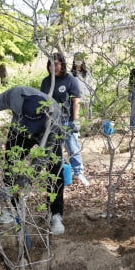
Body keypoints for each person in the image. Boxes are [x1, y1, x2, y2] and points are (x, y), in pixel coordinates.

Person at [0, 86, 67, 234]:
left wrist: (28, 176)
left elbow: (44, 157)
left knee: (56, 170)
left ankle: (55, 214)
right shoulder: (15, 96)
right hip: (19, 132)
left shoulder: (54, 117)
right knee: (10, 165)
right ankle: (13, 209)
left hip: (45, 136)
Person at [40, 53, 89, 186]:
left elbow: (75, 101)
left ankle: (78, 172)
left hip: (67, 120)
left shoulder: (70, 80)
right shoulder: (46, 82)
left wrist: (75, 121)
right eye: (51, 64)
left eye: (56, 64)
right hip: (52, 122)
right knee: (55, 149)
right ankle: (60, 172)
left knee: (72, 147)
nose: (53, 67)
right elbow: (43, 102)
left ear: (62, 65)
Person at [71, 52, 94, 120]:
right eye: (76, 58)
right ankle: (77, 129)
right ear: (74, 60)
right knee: (76, 116)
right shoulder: (70, 74)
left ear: (83, 60)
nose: (78, 60)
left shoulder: (88, 73)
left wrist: (91, 97)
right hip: (76, 99)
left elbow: (91, 85)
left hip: (86, 98)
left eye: (80, 58)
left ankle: (88, 129)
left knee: (87, 116)